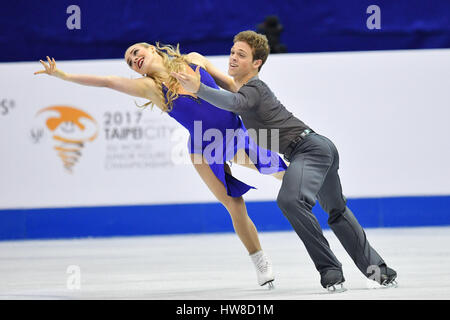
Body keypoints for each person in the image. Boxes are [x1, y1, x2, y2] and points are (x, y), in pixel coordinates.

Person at [33, 42, 289, 288]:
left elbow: (233, 85)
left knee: (279, 169)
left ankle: (317, 188)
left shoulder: (194, 60)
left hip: (235, 132)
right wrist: (63, 75)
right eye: (130, 62)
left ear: (151, 49)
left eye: (135, 52)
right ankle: (260, 261)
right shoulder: (150, 88)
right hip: (205, 149)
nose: (134, 60)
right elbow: (107, 82)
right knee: (235, 204)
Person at [172, 30, 398, 292]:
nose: (233, 58)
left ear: (257, 63)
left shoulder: (254, 89)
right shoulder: (247, 89)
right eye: (232, 52)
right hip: (316, 149)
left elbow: (234, 102)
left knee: (290, 200)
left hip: (309, 150)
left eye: (241, 55)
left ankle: (331, 272)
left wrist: (198, 88)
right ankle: (381, 272)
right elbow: (228, 86)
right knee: (337, 212)